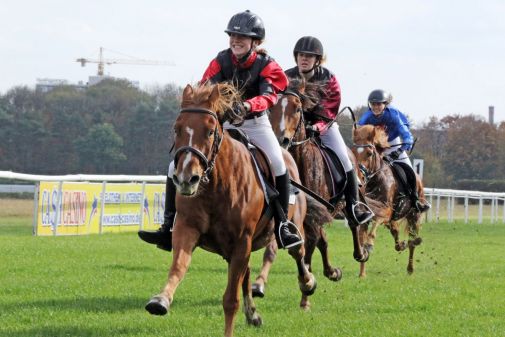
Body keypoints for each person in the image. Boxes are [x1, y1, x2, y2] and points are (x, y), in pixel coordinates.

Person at [138, 10, 303, 251]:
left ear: (255, 42)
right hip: (223, 124)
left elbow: (269, 96)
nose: (236, 40)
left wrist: (247, 105)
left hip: (255, 124)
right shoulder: (221, 60)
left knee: (278, 163)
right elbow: (206, 86)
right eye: (233, 36)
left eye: (242, 37)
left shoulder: (268, 65)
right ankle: (168, 226)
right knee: (174, 166)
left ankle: (283, 225)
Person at [285, 36, 373, 225]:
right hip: (292, 129)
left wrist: (316, 127)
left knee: (345, 158)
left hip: (323, 126)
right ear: (296, 57)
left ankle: (353, 206)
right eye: (301, 55)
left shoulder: (328, 78)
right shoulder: (286, 76)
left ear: (318, 59)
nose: (304, 59)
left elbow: (330, 109)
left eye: (310, 56)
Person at [358, 89, 430, 212]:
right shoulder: (367, 117)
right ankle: (356, 200)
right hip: (376, 147)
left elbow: (407, 137)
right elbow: (359, 134)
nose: (375, 107)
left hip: (394, 144)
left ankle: (416, 200)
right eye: (373, 104)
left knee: (409, 171)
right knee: (361, 169)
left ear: (385, 104)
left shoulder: (393, 115)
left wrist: (399, 151)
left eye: (378, 104)